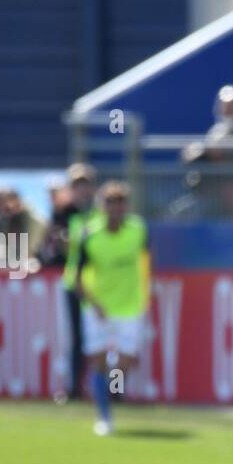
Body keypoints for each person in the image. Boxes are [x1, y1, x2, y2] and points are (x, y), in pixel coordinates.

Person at [74, 183, 151, 435]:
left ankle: (111, 389)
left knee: (125, 362)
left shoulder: (138, 231)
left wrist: (146, 292)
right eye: (110, 203)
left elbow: (147, 261)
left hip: (130, 307)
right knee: (96, 361)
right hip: (99, 308)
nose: (115, 209)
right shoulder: (90, 235)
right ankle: (104, 416)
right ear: (102, 207)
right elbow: (76, 277)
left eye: (120, 204)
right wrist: (93, 303)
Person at [61, 164, 99, 400]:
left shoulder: (100, 214)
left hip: (98, 286)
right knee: (77, 338)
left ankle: (112, 390)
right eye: (77, 187)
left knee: (103, 339)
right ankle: (75, 388)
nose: (82, 192)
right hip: (74, 284)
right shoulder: (65, 215)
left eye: (85, 186)